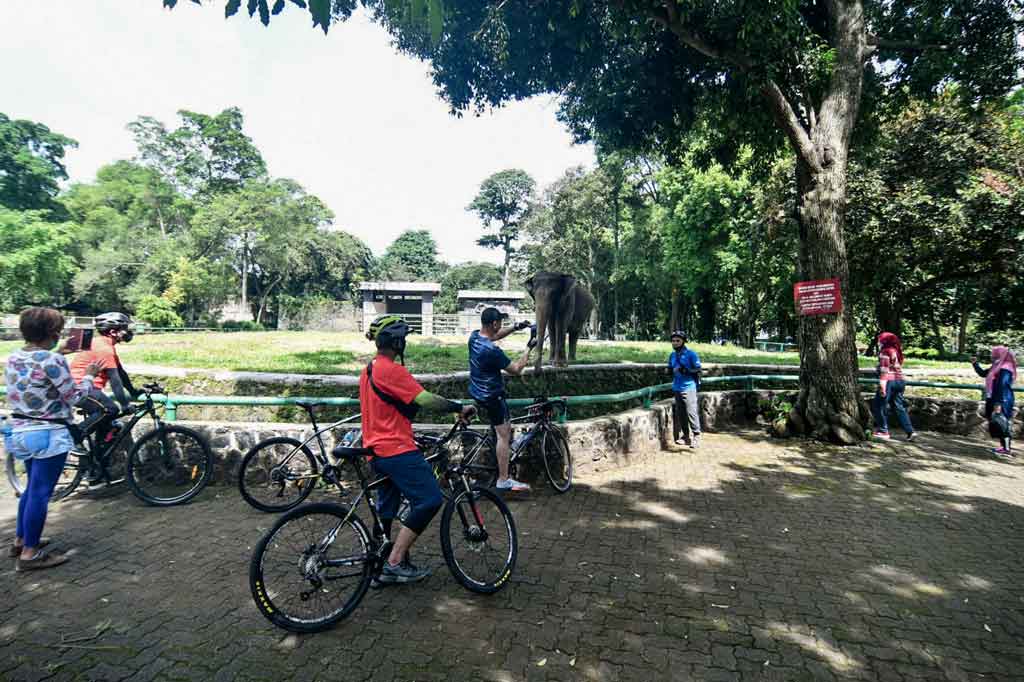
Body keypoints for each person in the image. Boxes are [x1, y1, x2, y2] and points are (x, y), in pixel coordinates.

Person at [360, 314, 477, 584]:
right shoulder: (392, 370)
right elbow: (424, 399)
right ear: (396, 341)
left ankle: (378, 568)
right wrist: (459, 408)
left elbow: (388, 409)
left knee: (387, 510)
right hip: (396, 450)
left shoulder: (368, 371)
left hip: (375, 451)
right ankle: (394, 562)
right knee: (429, 500)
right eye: (403, 338)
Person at [4, 308, 103, 571]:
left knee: (30, 489)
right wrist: (91, 375)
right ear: (53, 332)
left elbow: (36, 375)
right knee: (41, 493)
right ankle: (30, 554)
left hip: (19, 431)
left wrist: (59, 354)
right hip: (47, 433)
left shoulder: (14, 357)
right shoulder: (52, 361)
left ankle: (21, 540)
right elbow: (75, 397)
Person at [468, 308, 534, 492]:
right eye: (500, 323)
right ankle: (503, 479)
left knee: (499, 432)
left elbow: (494, 336)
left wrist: (515, 327)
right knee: (503, 435)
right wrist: (529, 347)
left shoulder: (474, 337)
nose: (501, 326)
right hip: (492, 396)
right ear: (495, 324)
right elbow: (516, 369)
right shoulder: (492, 351)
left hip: (477, 391)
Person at [68, 313, 139, 477]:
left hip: (89, 389)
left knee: (110, 428)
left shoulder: (106, 345)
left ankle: (95, 472)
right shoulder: (104, 348)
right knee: (110, 410)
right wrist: (125, 405)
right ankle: (73, 437)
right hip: (81, 388)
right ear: (113, 332)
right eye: (124, 329)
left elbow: (121, 373)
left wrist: (135, 392)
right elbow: (115, 381)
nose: (128, 332)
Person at [972, 346, 1017, 456]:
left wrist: (998, 402)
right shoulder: (997, 366)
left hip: (1002, 399)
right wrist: (975, 364)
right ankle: (1003, 447)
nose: (992, 355)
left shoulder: (1006, 367)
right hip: (994, 397)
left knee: (1002, 422)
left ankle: (1006, 449)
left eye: (995, 353)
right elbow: (984, 373)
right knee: (997, 422)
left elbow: (1002, 385)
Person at [871, 332, 916, 441]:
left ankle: (883, 431)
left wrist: (882, 386)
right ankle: (910, 431)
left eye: (880, 340)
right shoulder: (896, 351)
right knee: (899, 407)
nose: (879, 342)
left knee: (879, 405)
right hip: (900, 381)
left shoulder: (885, 352)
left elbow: (884, 371)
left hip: (889, 382)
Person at [668, 331, 702, 448]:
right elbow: (670, 368)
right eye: (673, 341)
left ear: (683, 341)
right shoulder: (672, 356)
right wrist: (669, 371)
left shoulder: (691, 354)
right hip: (677, 387)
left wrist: (686, 370)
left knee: (691, 412)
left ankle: (696, 436)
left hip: (689, 387)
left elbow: (698, 369)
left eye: (678, 341)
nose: (675, 343)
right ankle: (685, 436)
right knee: (681, 413)